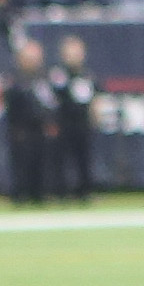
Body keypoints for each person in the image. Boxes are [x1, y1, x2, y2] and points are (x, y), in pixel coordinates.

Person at [3, 39, 56, 205]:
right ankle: (20, 194)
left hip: (40, 128)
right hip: (22, 129)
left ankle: (38, 193)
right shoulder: (15, 80)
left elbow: (50, 103)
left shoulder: (44, 79)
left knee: (40, 162)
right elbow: (11, 104)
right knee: (22, 163)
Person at [48, 34, 96, 201]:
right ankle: (60, 192)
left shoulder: (87, 74)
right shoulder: (58, 74)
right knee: (61, 160)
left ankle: (84, 191)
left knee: (83, 159)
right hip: (64, 123)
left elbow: (93, 97)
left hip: (82, 124)